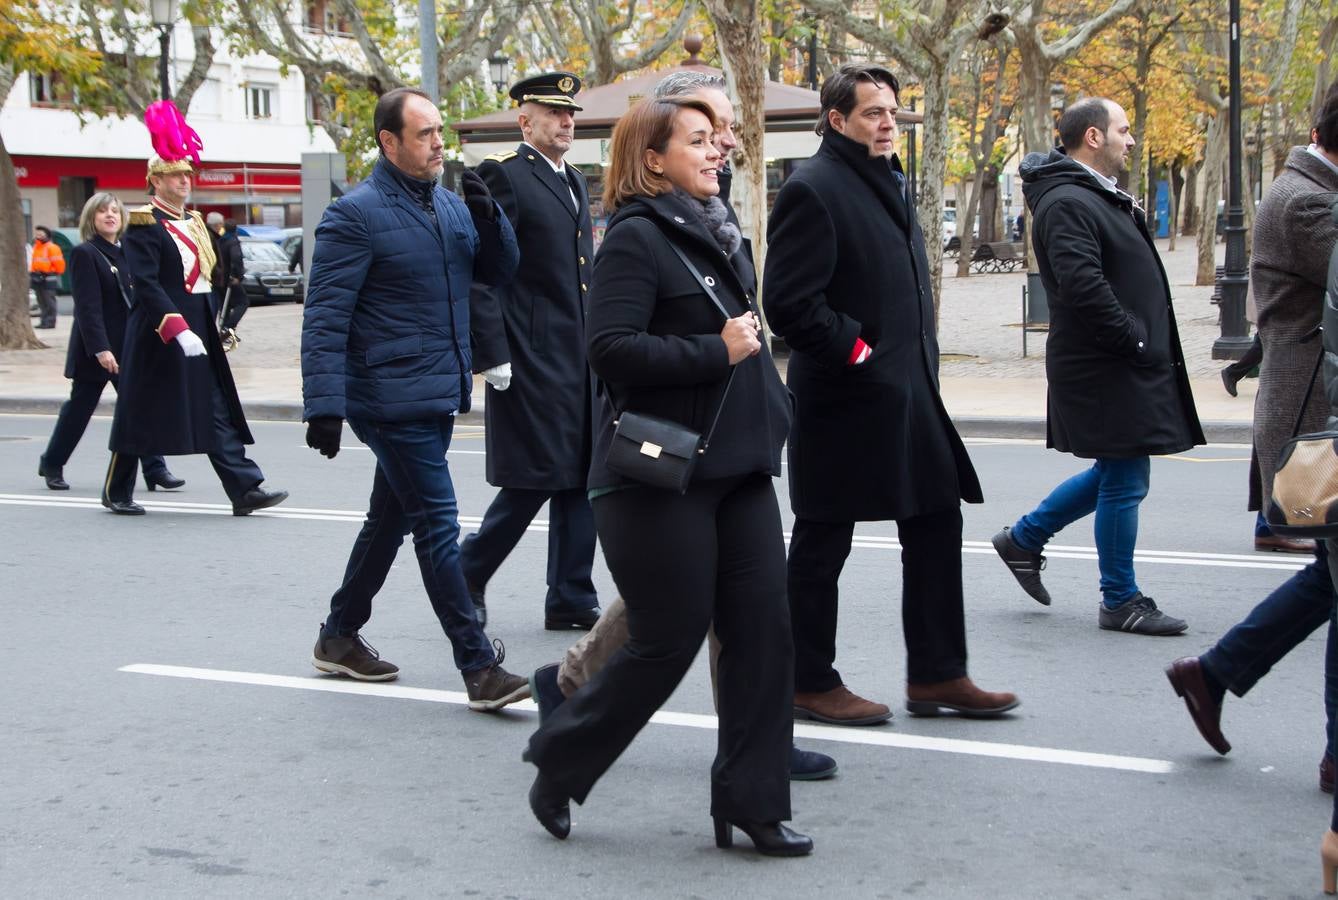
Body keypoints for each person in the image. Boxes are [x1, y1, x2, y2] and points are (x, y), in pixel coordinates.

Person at [527, 69, 837, 781]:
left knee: (751, 619)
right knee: (670, 624)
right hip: (672, 462)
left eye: (723, 131)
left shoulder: (713, 222)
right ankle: (573, 714)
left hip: (735, 455)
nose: (724, 143)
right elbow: (610, 348)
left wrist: (769, 402)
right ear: (656, 152)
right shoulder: (644, 233)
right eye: (704, 133)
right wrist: (717, 351)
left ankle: (754, 764)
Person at [763, 64, 1017, 724]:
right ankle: (805, 680)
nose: (887, 123)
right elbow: (788, 303)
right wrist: (857, 350)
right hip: (847, 400)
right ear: (836, 120)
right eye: (873, 113)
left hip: (909, 395)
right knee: (823, 542)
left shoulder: (888, 178)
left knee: (936, 520)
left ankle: (937, 675)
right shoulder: (812, 188)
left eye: (893, 113)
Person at [301, 86, 529, 711]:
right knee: (436, 521)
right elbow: (325, 316)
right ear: (389, 142)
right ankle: (478, 666)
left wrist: (491, 217)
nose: (438, 144)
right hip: (385, 396)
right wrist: (323, 403)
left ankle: (338, 636)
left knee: (391, 518)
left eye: (439, 133)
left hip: (436, 388)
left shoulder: (450, 206)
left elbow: (498, 271)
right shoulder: (355, 214)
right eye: (424, 134)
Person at [1168, 93, 1338, 790]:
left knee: (1330, 577)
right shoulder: (1308, 203)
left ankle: (1213, 673)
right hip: (1317, 424)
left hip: (1310, 411)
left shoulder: (1305, 190)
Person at [989, 97, 1203, 635]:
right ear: (1092, 137)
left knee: (1118, 470)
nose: (1131, 140)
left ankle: (1024, 539)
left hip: (1116, 360)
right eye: (1124, 131)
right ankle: (1119, 599)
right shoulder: (1067, 202)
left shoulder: (1086, 194)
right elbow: (1082, 285)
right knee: (1126, 475)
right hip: (1105, 363)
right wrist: (1133, 338)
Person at [461, 72, 600, 632]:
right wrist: (490, 351)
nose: (567, 122)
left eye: (570, 114)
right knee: (536, 476)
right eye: (553, 113)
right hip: (530, 351)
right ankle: (468, 570)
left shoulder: (574, 179)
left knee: (582, 473)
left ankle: (570, 593)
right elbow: (482, 271)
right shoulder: (505, 175)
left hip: (578, 351)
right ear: (525, 120)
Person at [103, 153, 288, 518]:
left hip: (199, 323)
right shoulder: (143, 223)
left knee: (214, 405)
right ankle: (116, 488)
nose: (184, 181)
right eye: (174, 176)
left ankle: (244, 488)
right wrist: (177, 329)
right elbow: (146, 283)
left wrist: (217, 323)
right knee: (141, 409)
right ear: (156, 181)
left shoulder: (194, 221)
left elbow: (207, 278)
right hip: (159, 330)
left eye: (187, 174)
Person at [37, 193, 182, 494]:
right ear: (91, 218)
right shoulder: (85, 253)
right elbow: (87, 309)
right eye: (102, 212)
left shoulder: (127, 251)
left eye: (114, 211)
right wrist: (101, 349)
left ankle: (155, 469)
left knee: (138, 407)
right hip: (97, 349)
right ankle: (52, 463)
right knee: (79, 410)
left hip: (128, 346)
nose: (110, 216)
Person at [29, 225, 65, 329]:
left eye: (41, 234)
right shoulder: (36, 247)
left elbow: (59, 265)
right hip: (37, 276)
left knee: (49, 300)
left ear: (46, 235)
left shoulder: (52, 248)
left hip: (48, 277)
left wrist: (50, 272)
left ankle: (50, 322)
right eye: (37, 234)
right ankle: (44, 321)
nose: (38, 236)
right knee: (41, 301)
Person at [217, 219, 246, 344]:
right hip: (230, 278)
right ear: (235, 229)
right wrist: (238, 276)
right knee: (243, 302)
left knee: (225, 306)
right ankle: (228, 328)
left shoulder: (219, 240)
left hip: (220, 279)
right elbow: (236, 258)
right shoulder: (232, 241)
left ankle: (225, 333)